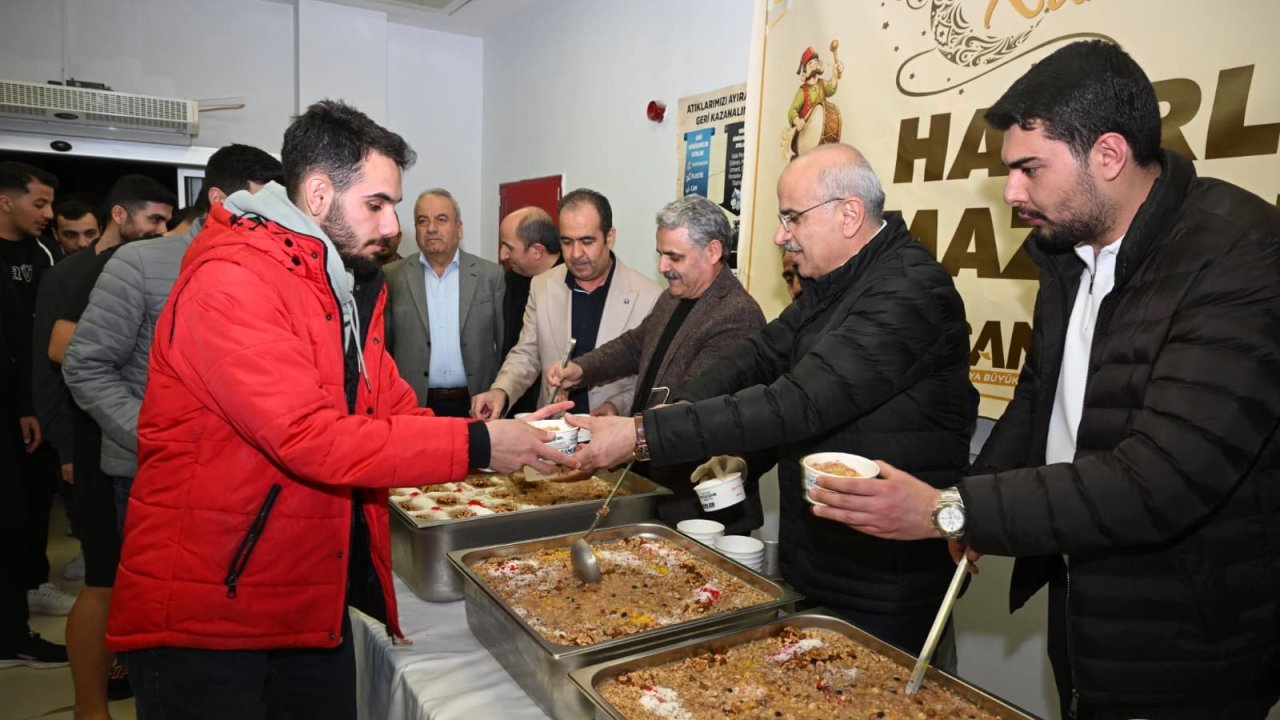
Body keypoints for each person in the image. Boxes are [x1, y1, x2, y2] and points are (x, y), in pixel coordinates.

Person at [808, 41, 1280, 719]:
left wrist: (953, 510)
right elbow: (1040, 400)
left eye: (1030, 169)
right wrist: (970, 506)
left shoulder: (1241, 255)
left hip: (1190, 635)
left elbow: (1160, 479)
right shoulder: (1069, 251)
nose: (1011, 193)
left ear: (1109, 156)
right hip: (1083, 599)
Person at [104, 100, 574, 720]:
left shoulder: (339, 285)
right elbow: (311, 439)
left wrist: (503, 432)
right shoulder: (234, 279)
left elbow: (394, 411)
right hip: (212, 611)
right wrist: (484, 447)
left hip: (302, 595)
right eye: (377, 205)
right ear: (320, 194)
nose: (394, 226)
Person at [573, 143, 976, 667]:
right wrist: (652, 420)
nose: (779, 235)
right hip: (822, 561)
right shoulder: (834, 285)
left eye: (791, 218)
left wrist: (641, 436)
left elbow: (797, 402)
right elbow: (754, 359)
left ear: (849, 214)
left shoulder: (910, 290)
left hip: (887, 579)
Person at [62, 147, 281, 718]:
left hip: (232, 487)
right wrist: (153, 436)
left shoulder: (266, 268)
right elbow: (85, 363)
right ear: (218, 201)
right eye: (265, 201)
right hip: (147, 478)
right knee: (162, 632)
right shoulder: (141, 265)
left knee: (217, 632)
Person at [41, 173, 177, 715]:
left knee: (130, 585)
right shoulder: (98, 268)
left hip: (128, 446)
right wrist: (68, 446)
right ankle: (89, 705)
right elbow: (64, 354)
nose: (160, 231)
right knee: (105, 582)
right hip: (104, 445)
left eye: (167, 222)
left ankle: (121, 676)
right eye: (155, 220)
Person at [548, 195, 765, 533]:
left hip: (700, 504)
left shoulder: (736, 314)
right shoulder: (674, 295)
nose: (663, 266)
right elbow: (635, 345)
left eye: (674, 256)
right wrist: (582, 369)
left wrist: (622, 438)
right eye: (661, 254)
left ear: (713, 251)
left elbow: (690, 404)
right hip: (657, 488)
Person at [471, 188, 662, 420]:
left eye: (587, 241)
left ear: (609, 237)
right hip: (553, 433)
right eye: (567, 242)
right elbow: (527, 354)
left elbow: (647, 377)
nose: (575, 253)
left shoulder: (649, 296)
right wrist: (501, 391)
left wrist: (615, 406)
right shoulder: (541, 285)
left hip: (610, 434)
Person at [0, 160, 67, 670]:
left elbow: (41, 339)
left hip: (33, 408)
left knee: (29, 512)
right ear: (6, 200)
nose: (47, 214)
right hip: (10, 408)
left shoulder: (42, 253)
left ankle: (23, 600)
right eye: (38, 203)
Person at [384, 188, 504, 417]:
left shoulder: (490, 275)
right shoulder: (393, 276)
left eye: (441, 219)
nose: (431, 229)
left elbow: (503, 344)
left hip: (475, 402)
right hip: (415, 403)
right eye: (422, 221)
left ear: (459, 228)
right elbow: (385, 347)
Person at [497, 206, 562, 416]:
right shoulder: (511, 281)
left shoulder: (570, 283)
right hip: (516, 404)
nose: (502, 255)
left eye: (508, 247)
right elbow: (518, 350)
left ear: (537, 251)